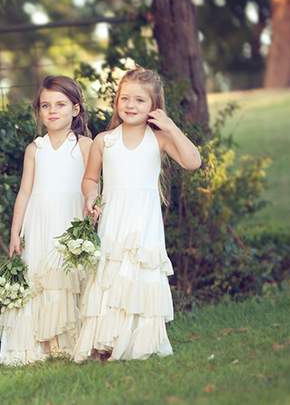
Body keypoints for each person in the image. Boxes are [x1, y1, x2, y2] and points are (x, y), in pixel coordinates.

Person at [72, 67, 202, 362]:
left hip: (144, 221)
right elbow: (90, 178)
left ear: (154, 107)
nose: (130, 105)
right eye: (124, 98)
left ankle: (137, 341)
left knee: (139, 272)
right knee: (113, 273)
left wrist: (170, 127)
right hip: (114, 217)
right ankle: (106, 341)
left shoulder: (159, 140)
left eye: (140, 101)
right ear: (116, 101)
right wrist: (91, 196)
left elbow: (193, 161)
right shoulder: (104, 141)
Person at [0, 76, 93, 365]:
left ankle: (69, 340)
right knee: (38, 276)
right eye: (45, 105)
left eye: (61, 104)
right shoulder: (34, 149)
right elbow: (25, 193)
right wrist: (15, 233)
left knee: (68, 278)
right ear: (39, 111)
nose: (53, 111)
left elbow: (93, 183)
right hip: (38, 222)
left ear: (75, 110)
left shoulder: (85, 145)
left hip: (70, 219)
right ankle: (37, 343)